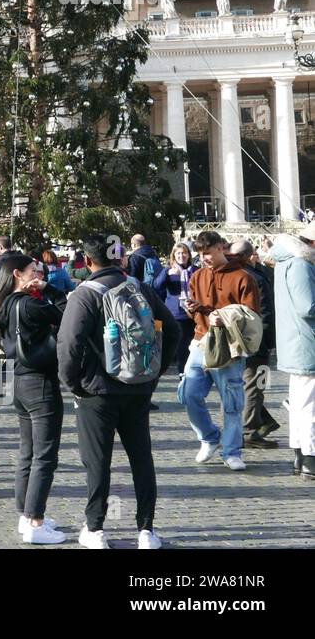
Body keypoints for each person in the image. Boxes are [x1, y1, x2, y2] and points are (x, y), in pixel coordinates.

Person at [59, 235, 180, 549]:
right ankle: (147, 531)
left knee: (98, 460)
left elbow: (69, 344)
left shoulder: (85, 294)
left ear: (88, 262)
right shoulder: (140, 288)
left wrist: (73, 383)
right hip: (138, 388)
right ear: (120, 259)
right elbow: (173, 329)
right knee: (141, 457)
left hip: (97, 390)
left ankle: (96, 529)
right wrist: (154, 374)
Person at [0, 253, 65, 542]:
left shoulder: (3, 303)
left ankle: (26, 514)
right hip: (40, 381)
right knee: (44, 455)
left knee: (28, 452)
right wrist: (50, 290)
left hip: (19, 380)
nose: (39, 274)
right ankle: (35, 521)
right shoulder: (32, 304)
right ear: (18, 274)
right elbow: (67, 313)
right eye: (34, 270)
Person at [183, 231, 260, 471]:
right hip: (200, 341)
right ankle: (209, 437)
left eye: (208, 253)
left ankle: (232, 451)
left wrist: (225, 318)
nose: (204, 258)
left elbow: (252, 315)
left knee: (232, 403)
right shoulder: (196, 276)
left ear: (221, 248)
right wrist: (192, 309)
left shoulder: (243, 277)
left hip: (230, 346)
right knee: (188, 393)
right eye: (201, 254)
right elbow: (196, 312)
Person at [267, 232, 315, 479]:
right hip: (307, 343)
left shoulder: (288, 262)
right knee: (308, 406)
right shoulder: (300, 264)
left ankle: (300, 454)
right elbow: (307, 306)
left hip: (297, 341)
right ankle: (309, 457)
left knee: (300, 404)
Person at [230, 240, 282, 449]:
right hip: (256, 341)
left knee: (247, 385)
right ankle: (251, 431)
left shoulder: (228, 275)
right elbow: (265, 313)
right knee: (256, 385)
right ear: (251, 256)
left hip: (235, 341)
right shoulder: (255, 278)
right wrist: (269, 342)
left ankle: (261, 422)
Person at [163, 242, 197, 373]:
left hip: (193, 311)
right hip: (177, 313)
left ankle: (192, 372)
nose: (181, 256)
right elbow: (156, 286)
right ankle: (183, 373)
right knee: (182, 346)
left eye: (184, 253)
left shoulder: (195, 270)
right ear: (174, 255)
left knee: (192, 345)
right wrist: (167, 274)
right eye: (178, 253)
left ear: (188, 255)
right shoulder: (168, 270)